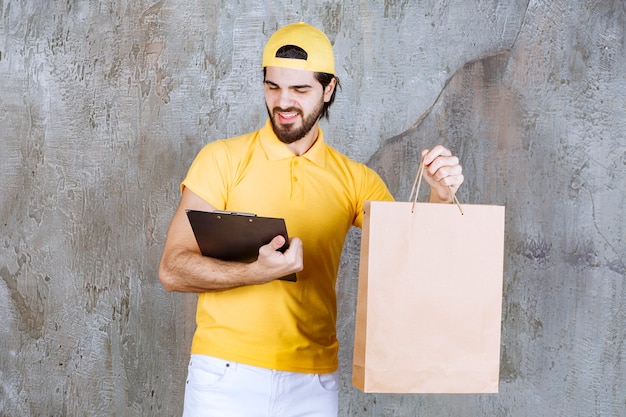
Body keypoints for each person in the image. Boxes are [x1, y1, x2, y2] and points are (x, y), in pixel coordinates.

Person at [159, 22, 464, 417]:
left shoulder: (355, 179)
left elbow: (412, 257)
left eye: (300, 90)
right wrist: (255, 271)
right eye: (273, 87)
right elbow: (172, 269)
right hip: (224, 375)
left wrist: (440, 195)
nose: (283, 103)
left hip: (313, 385)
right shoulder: (221, 160)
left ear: (329, 89)